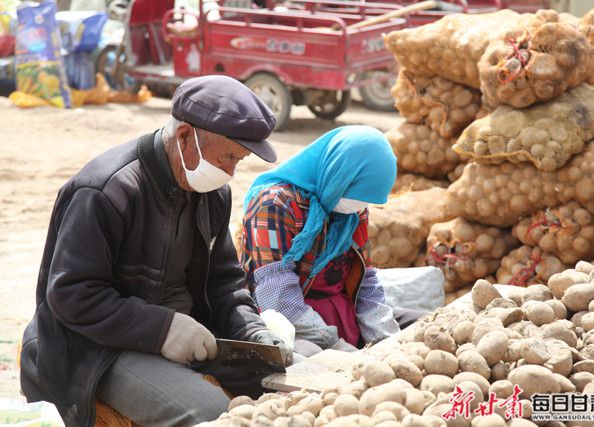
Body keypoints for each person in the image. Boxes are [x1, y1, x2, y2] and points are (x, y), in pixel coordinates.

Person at [19, 75, 293, 427]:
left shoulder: (211, 193)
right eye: (228, 156)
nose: (230, 172)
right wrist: (163, 328)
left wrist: (254, 333)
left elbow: (225, 283)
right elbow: (71, 295)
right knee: (210, 412)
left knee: (280, 385)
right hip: (92, 348)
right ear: (184, 136)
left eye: (238, 160)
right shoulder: (107, 189)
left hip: (182, 338)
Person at [240, 125, 405, 356]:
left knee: (414, 323)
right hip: (287, 320)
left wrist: (386, 342)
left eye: (365, 201)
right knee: (307, 356)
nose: (359, 206)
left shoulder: (353, 212)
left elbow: (365, 279)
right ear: (339, 174)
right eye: (356, 195)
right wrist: (334, 345)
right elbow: (277, 296)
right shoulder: (275, 204)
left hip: (341, 311)